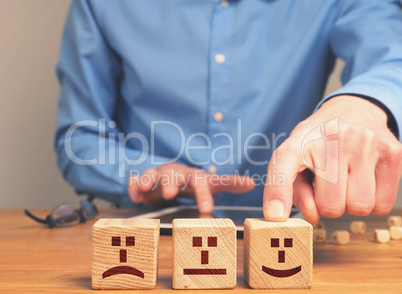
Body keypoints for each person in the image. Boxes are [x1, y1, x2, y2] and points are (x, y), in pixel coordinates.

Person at [55, 0, 402, 224]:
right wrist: (143, 172)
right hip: (147, 238)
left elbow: (392, 54)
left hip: (289, 237)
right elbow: (80, 139)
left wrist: (363, 104)